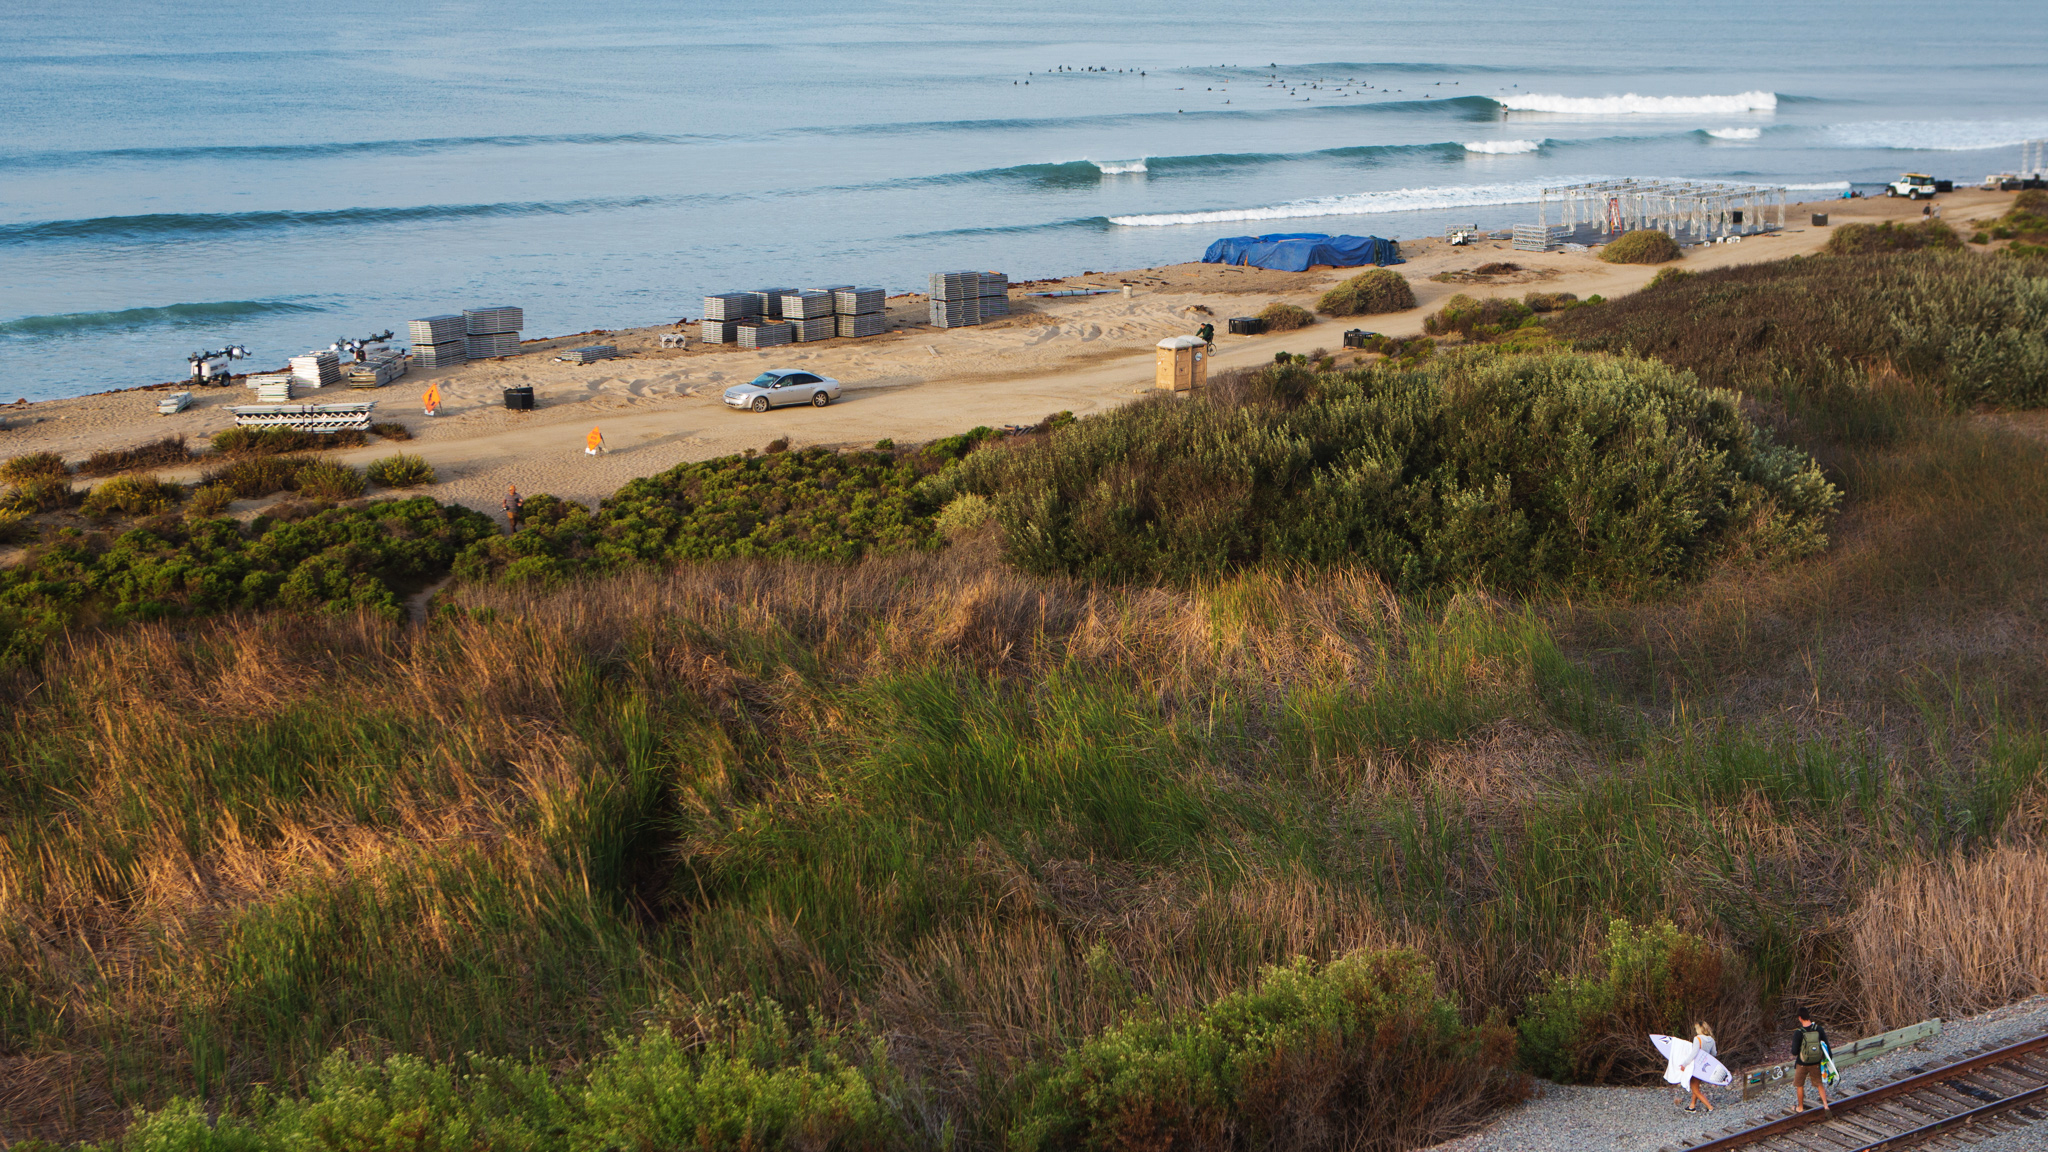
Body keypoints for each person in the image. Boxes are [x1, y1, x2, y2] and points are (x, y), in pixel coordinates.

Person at [1792, 1010, 1831, 1112]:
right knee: (1819, 1084)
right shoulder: (1819, 1029)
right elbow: (1826, 1046)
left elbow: (1794, 1051)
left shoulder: (1798, 1032)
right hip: (1816, 1063)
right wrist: (1828, 1060)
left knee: (1799, 1085)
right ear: (1809, 1016)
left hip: (1802, 1063)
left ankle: (1800, 1107)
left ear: (1800, 1018)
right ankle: (1826, 1105)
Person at [1687, 1022, 1718, 1113]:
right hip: (1704, 1067)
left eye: (1696, 1028)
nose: (1696, 1030)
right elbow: (1714, 1053)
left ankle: (1710, 1107)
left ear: (1700, 1029)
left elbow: (1693, 1054)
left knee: (1695, 1089)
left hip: (1696, 1066)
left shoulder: (1697, 1039)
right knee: (1696, 1086)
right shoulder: (1711, 1040)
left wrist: (1684, 1064)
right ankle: (1692, 1106)